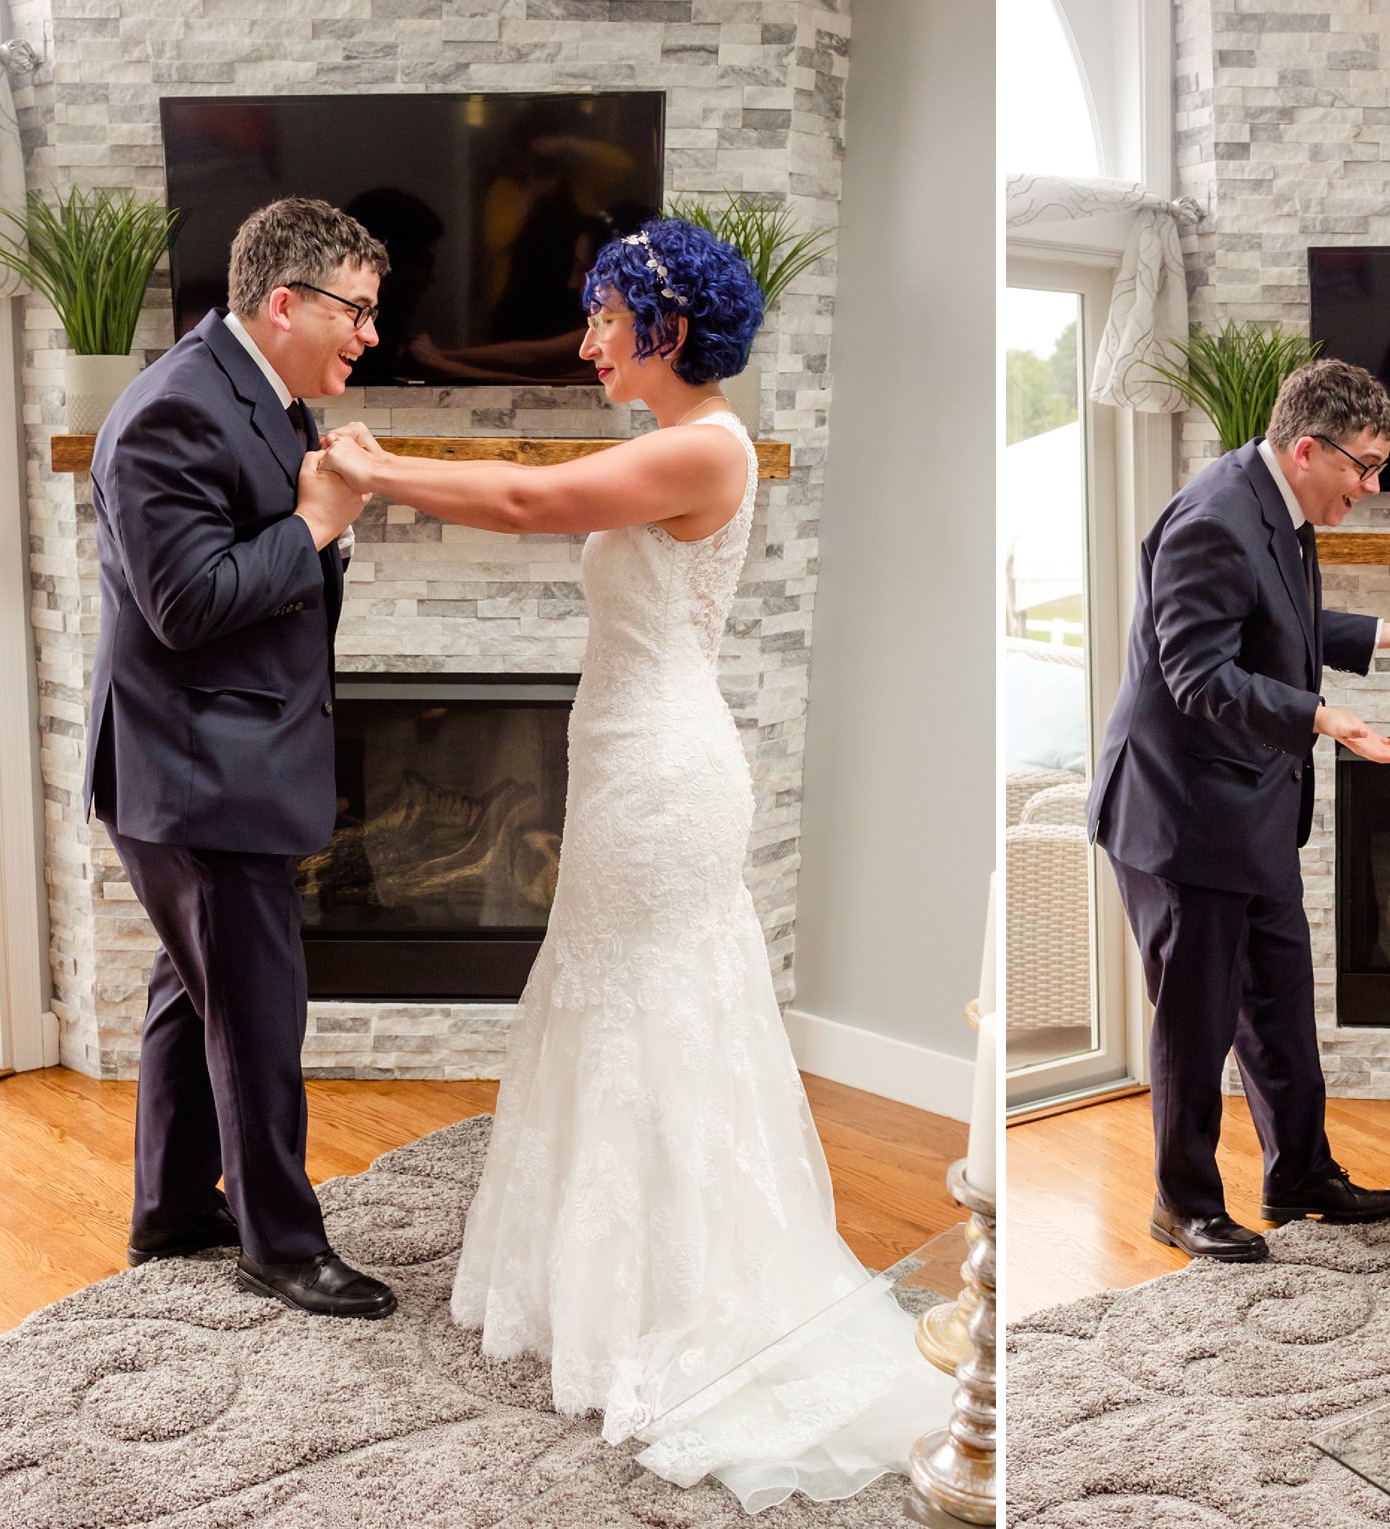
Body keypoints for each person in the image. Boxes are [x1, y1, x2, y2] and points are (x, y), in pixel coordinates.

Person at [317, 217, 951, 1512]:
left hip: (664, 781)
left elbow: (524, 502)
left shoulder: (706, 447)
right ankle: (610, 1276)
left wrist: (378, 466)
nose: (587, 341)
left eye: (605, 319)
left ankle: (683, 1293)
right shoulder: (669, 443)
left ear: (665, 329)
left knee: (656, 1010)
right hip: (629, 770)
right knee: (611, 1002)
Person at [1086, 359, 1390, 1264]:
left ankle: (1299, 1172)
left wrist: (1384, 633)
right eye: (1366, 467)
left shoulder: (1277, 502)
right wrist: (1322, 716)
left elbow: (1275, 624)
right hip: (1182, 817)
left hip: (1250, 805)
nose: (1373, 488)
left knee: (1279, 1001)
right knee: (1198, 1019)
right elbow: (1197, 674)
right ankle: (1181, 1202)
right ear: (1309, 449)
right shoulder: (1213, 520)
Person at [87, 197, 395, 1318]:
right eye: (357, 312)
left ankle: (172, 1208)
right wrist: (315, 526)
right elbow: (186, 602)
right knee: (258, 1007)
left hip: (207, 760)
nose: (369, 335)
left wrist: (330, 517)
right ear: (285, 302)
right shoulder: (175, 411)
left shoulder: (255, 394)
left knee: (191, 989)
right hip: (194, 773)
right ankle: (279, 1241)